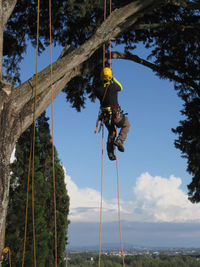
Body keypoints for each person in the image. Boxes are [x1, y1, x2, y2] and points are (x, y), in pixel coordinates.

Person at [94, 67, 130, 160]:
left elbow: (95, 86)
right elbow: (121, 87)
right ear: (110, 76)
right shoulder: (114, 87)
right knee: (126, 124)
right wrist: (113, 78)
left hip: (106, 118)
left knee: (111, 132)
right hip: (116, 116)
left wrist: (101, 79)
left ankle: (110, 153)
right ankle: (120, 141)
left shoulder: (98, 90)